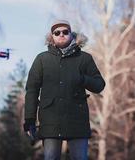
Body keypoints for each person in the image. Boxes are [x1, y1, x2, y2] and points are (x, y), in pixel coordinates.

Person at [24, 20, 105, 160]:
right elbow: (32, 90)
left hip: (77, 121)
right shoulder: (42, 59)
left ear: (71, 34)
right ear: (52, 37)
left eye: (65, 32)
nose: (61, 34)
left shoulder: (84, 58)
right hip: (50, 122)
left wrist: (82, 79)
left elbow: (99, 85)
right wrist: (30, 119)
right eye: (57, 32)